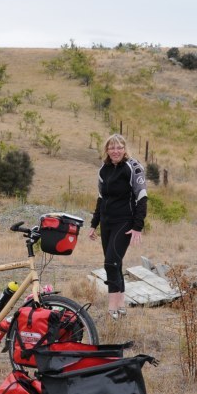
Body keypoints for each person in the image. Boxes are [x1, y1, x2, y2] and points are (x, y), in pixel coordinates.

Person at [88, 133, 147, 320]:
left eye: (119, 147)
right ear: (107, 150)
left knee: (110, 262)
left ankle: (112, 307)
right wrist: (94, 224)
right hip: (106, 223)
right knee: (115, 264)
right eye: (112, 147)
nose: (116, 151)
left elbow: (142, 197)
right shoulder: (103, 170)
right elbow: (100, 198)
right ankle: (121, 305)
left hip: (125, 222)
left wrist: (138, 226)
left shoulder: (133, 167)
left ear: (125, 149)